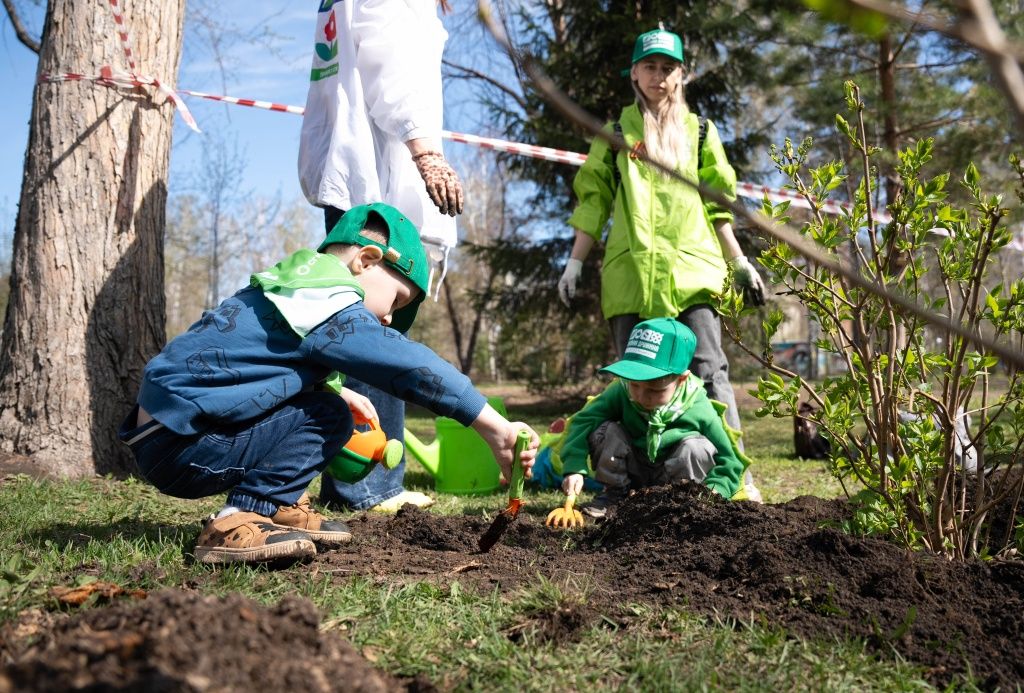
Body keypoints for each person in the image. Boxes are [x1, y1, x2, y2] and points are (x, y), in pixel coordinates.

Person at [117, 203, 539, 565]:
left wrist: (336, 387)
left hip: (166, 434)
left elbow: (257, 367)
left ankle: (279, 504)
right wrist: (493, 426)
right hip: (188, 445)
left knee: (330, 401)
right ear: (367, 261)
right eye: (397, 300)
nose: (389, 318)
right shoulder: (328, 299)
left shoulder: (293, 286)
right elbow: (409, 365)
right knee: (329, 415)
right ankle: (240, 518)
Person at [556, 28, 764, 501]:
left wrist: (739, 260)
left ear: (681, 75)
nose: (658, 76)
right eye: (649, 66)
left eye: (668, 68)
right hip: (630, 276)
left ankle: (737, 481)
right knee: (633, 380)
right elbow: (594, 199)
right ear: (634, 73)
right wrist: (574, 262)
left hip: (693, 273)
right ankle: (627, 488)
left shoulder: (701, 132)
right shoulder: (616, 134)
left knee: (708, 373)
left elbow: (718, 204)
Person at [297, 0, 464, 512]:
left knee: (367, 327)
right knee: (369, 331)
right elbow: (390, 64)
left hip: (357, 176)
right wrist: (426, 151)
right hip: (374, 180)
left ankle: (364, 482)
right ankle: (366, 488)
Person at [557, 319, 753, 519]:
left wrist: (715, 492)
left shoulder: (698, 406)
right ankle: (615, 496)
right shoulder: (620, 391)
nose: (641, 396)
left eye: (654, 390)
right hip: (632, 472)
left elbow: (730, 460)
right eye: (635, 385)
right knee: (606, 431)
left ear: (681, 379)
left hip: (675, 480)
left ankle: (681, 505)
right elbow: (583, 421)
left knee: (697, 447)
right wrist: (574, 467)